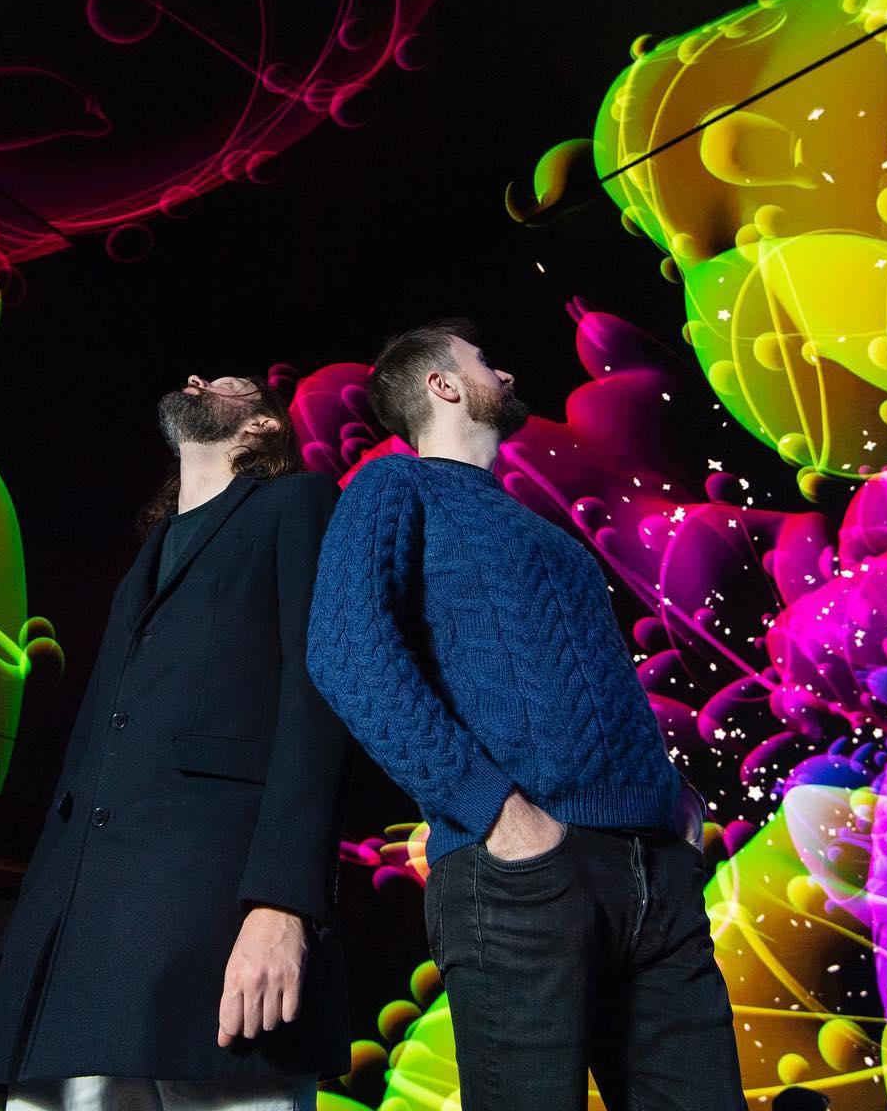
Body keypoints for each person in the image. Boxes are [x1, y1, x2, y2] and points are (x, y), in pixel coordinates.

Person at [305, 320, 746, 1111]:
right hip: (524, 876)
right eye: (484, 362)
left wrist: (674, 801)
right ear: (442, 385)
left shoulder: (548, 535)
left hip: (656, 876)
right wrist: (495, 811)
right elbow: (346, 654)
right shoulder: (395, 487)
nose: (505, 373)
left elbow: (592, 679)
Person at [0, 374, 351, 1111]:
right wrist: (22, 972)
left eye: (228, 383)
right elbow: (82, 772)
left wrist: (283, 908)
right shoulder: (142, 563)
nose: (196, 381)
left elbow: (318, 703)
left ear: (264, 427)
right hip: (80, 965)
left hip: (210, 933)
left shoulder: (300, 505)